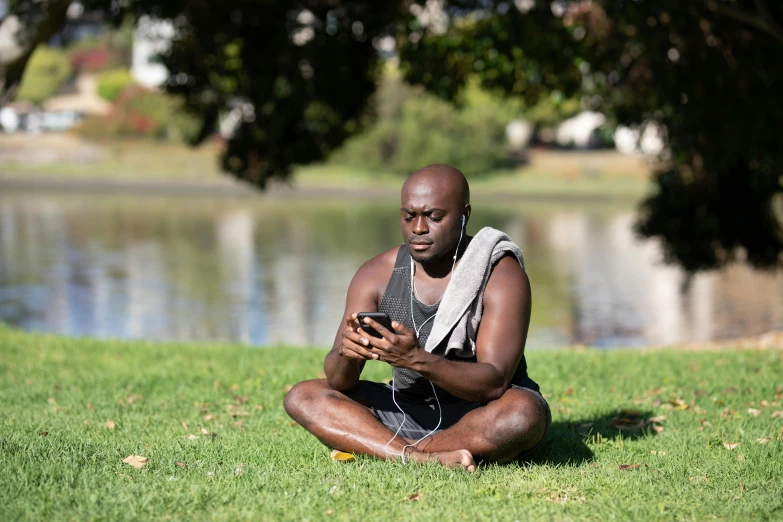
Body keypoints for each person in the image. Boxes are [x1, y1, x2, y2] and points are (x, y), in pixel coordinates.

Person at [284, 164, 549, 472]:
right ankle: (419, 456)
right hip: (406, 408)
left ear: (465, 214)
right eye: (408, 216)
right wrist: (347, 353)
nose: (418, 228)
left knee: (523, 413)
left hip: (479, 412)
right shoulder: (375, 275)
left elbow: (494, 383)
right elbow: (339, 380)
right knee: (304, 396)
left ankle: (389, 447)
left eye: (434, 217)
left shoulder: (501, 275)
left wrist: (415, 359)